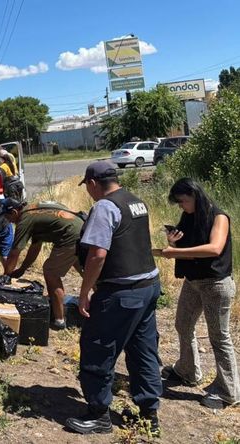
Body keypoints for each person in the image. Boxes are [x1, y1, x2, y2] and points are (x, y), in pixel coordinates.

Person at [65, 161, 161, 436]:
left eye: (88, 187)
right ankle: (149, 415)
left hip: (121, 293)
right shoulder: (135, 201)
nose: (88, 193)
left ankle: (98, 414)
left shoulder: (105, 207)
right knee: (143, 351)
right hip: (148, 286)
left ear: (93, 183)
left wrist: (84, 293)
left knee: (98, 347)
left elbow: (97, 255)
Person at [154, 178, 237, 409]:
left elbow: (214, 248)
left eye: (182, 201)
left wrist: (175, 253)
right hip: (193, 282)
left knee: (219, 338)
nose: (181, 206)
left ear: (194, 195)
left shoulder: (218, 216)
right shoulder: (188, 217)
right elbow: (187, 250)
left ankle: (229, 392)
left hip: (215, 284)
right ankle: (188, 371)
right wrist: (173, 244)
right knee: (182, 324)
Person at [2, 198, 84, 330]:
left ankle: (59, 320)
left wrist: (6, 276)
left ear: (14, 211)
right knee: (87, 273)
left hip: (70, 235)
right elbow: (35, 247)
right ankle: (105, 305)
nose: (9, 221)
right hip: (82, 229)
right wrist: (23, 268)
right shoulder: (34, 210)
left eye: (8, 217)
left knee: (50, 272)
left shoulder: (25, 219)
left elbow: (14, 252)